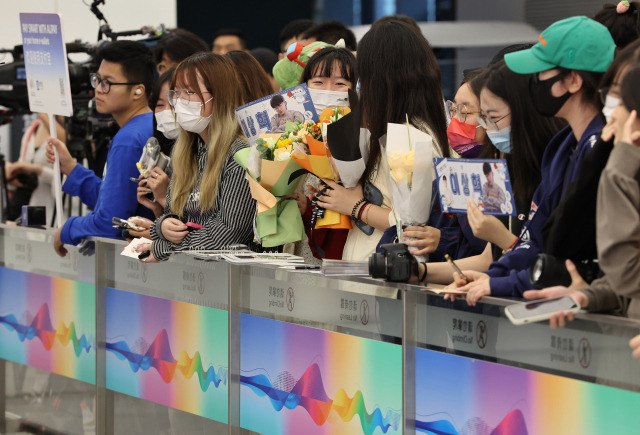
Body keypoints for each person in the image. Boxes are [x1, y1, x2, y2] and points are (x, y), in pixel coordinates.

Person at [449, 16, 616, 305]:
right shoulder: (561, 148)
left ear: (574, 80)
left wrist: (503, 282)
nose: (534, 83)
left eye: (541, 73)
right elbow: (534, 238)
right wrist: (495, 276)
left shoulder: (601, 149)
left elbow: (566, 254)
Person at [315, 20, 449, 261]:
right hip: (370, 270)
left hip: (386, 276)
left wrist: (355, 206)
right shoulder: (396, 131)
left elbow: (410, 224)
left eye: (362, 75)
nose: (358, 87)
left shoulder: (408, 138)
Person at [142, 52, 255, 262]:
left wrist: (164, 248)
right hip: (191, 277)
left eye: (190, 92)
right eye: (177, 93)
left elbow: (228, 235)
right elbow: (172, 213)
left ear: (219, 96)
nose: (180, 101)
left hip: (233, 283)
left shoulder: (239, 156)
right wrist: (163, 226)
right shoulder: (187, 153)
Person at [46, 40, 155, 256]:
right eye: (97, 80)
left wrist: (68, 229)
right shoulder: (150, 125)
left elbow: (111, 223)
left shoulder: (129, 138)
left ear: (137, 91)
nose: (98, 89)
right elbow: (119, 201)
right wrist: (71, 168)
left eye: (107, 83)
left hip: (139, 263)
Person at [287, 47, 357, 261]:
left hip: (339, 260)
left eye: (340, 84)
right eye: (318, 82)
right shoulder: (294, 137)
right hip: (296, 255)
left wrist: (309, 208)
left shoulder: (358, 143)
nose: (328, 90)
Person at [6, 113, 66, 225]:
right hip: (26, 215)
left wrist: (38, 170)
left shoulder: (67, 132)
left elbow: (67, 187)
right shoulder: (31, 130)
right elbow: (21, 170)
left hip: (53, 217)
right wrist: (11, 174)